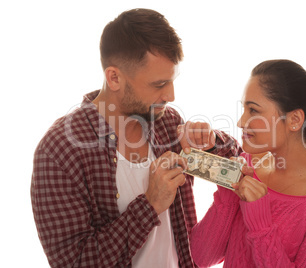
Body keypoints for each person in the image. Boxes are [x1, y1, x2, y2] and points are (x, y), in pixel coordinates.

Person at [30, 8, 241, 268]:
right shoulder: (59, 151)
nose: (171, 95)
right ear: (114, 77)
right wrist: (150, 204)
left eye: (172, 80)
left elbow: (240, 172)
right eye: (158, 84)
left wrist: (211, 143)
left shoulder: (167, 122)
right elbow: (75, 262)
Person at [190, 59, 306, 267]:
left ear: (295, 120)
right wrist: (228, 193)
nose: (241, 122)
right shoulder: (249, 166)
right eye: (244, 109)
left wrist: (260, 222)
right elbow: (200, 256)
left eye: (253, 110)